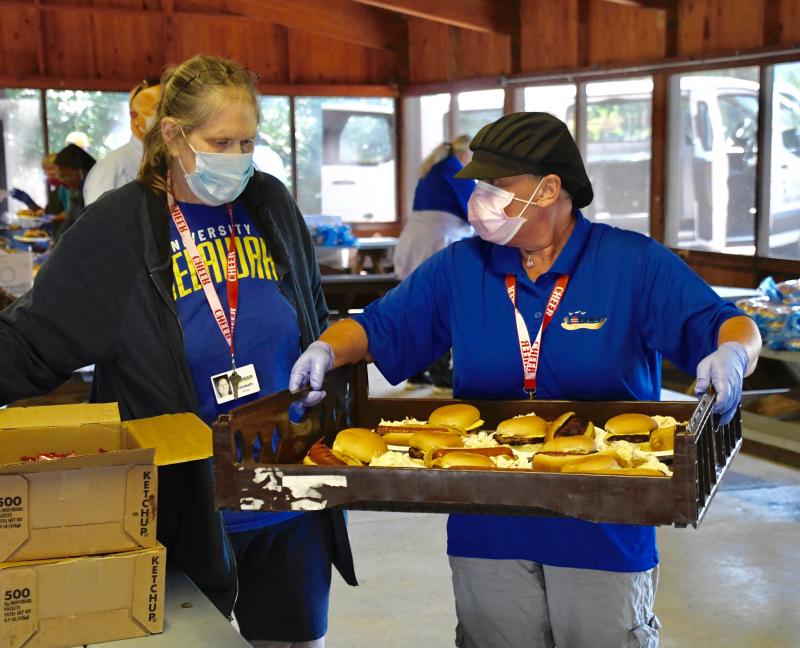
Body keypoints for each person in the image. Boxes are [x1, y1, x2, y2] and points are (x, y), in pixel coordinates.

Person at [290, 112, 762, 648]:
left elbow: (729, 324)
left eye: (496, 185)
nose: (479, 198)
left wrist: (732, 355)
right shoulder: (462, 268)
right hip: (487, 523)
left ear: (549, 188)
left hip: (601, 525)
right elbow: (378, 326)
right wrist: (328, 348)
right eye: (477, 184)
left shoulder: (630, 264)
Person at [0, 54, 356, 647]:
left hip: (287, 489)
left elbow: (311, 314)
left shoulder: (269, 203)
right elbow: (31, 342)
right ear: (172, 135)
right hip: (182, 499)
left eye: (248, 141)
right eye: (221, 141)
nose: (238, 157)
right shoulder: (119, 226)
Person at [394, 135, 475, 388]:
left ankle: (415, 371)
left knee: (418, 308)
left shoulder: (431, 171)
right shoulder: (457, 172)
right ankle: (441, 373)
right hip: (438, 244)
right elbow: (476, 211)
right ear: (465, 156)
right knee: (442, 308)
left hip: (415, 243)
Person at [83, 78, 162, 205]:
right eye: (159, 109)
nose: (168, 117)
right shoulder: (112, 168)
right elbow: (99, 222)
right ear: (134, 117)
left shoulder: (173, 162)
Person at [53, 143, 96, 239]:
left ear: (80, 171)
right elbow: (71, 220)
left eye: (64, 175)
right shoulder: (76, 189)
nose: (61, 180)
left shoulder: (96, 188)